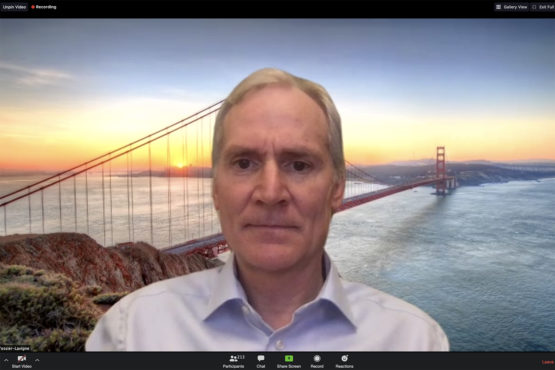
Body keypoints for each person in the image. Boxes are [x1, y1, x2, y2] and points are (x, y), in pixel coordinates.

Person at [86, 68, 449, 351]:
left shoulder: (415, 341)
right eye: (244, 163)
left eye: (299, 165)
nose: (271, 192)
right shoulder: (129, 334)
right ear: (215, 190)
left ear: (337, 189)